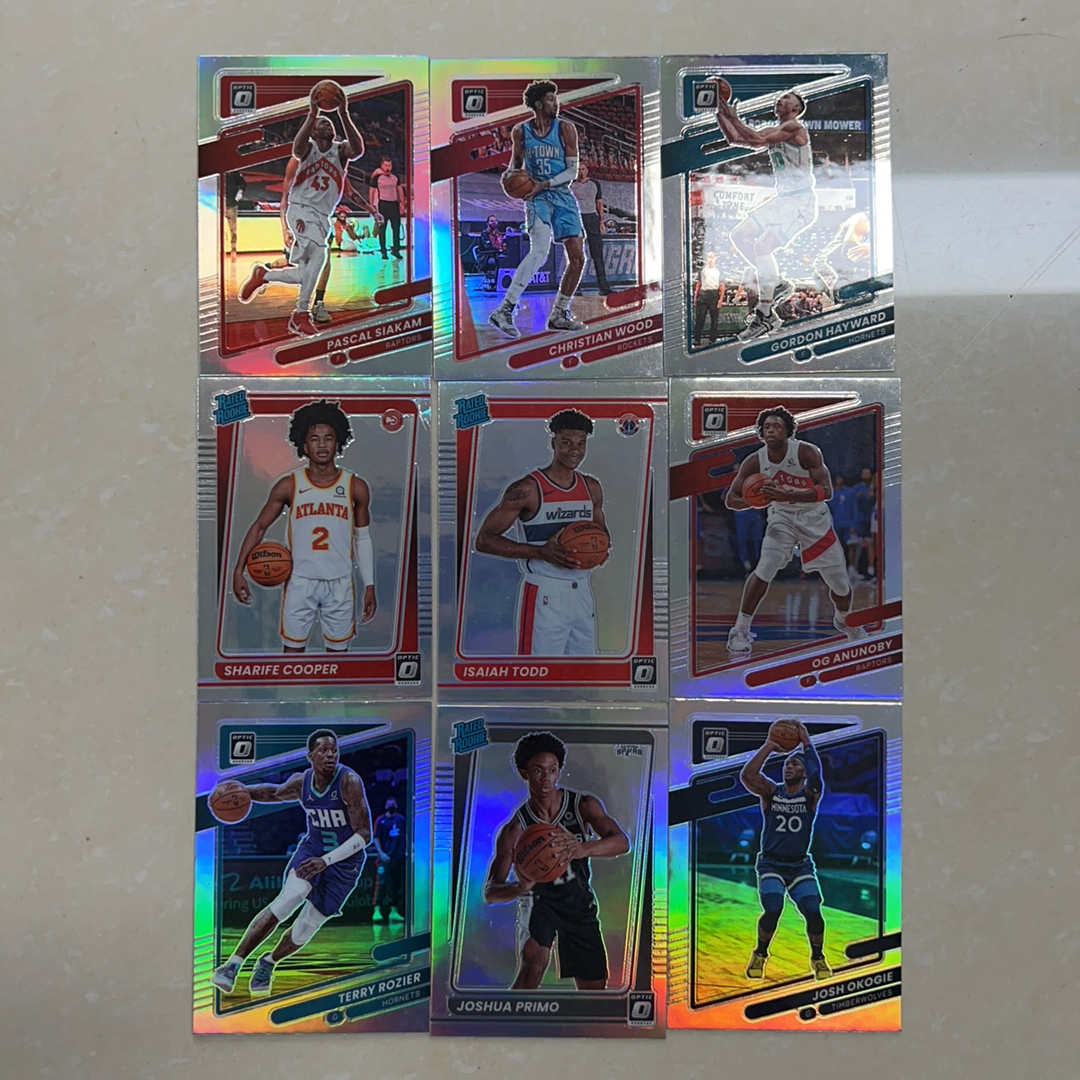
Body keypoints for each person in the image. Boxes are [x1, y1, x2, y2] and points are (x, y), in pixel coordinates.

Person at [210, 730, 373, 996]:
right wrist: (242, 793)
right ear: (310, 756)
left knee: (305, 928)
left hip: (344, 863)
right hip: (313, 849)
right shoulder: (301, 782)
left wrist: (326, 861)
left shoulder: (349, 781)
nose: (330, 754)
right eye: (323, 750)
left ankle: (268, 962)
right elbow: (274, 793)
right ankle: (232, 966)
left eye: (334, 750)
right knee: (289, 898)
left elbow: (364, 834)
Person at [483, 731, 630, 990]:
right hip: (539, 902)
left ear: (559, 771)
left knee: (595, 989)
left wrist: (582, 849)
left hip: (577, 901)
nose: (546, 777)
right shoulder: (516, 829)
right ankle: (509, 1014)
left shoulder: (582, 805)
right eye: (538, 770)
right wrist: (520, 887)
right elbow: (490, 892)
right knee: (533, 965)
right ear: (524, 773)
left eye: (552, 770)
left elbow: (622, 842)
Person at [231, 400, 376, 652]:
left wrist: (370, 585)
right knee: (292, 655)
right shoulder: (289, 485)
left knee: (338, 660)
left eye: (328, 438)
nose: (322, 444)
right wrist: (237, 570)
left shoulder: (355, 486)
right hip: (300, 581)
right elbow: (259, 527)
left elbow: (362, 538)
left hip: (340, 582)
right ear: (304, 445)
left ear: (338, 443)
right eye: (314, 439)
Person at [724, 407, 866, 655]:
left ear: (788, 431)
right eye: (766, 427)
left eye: (776, 426)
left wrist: (788, 494)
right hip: (782, 518)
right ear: (761, 433)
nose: (771, 430)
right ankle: (740, 629)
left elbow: (826, 491)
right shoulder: (755, 461)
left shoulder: (806, 452)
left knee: (840, 585)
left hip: (815, 519)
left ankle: (843, 619)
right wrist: (754, 501)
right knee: (766, 565)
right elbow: (731, 499)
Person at [475, 410, 607, 656]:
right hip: (545, 591)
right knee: (538, 670)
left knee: (585, 670)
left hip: (582, 591)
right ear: (553, 443)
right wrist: (540, 552)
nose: (574, 450)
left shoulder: (591, 488)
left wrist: (599, 550)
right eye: (566, 442)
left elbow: (601, 534)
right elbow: (484, 540)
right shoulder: (527, 489)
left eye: (581, 444)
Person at [238, 85, 364, 337]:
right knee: (320, 253)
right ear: (313, 131)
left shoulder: (340, 151)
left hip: (321, 216)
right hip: (301, 209)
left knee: (306, 273)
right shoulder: (307, 149)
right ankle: (301, 314)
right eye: (322, 123)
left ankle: (264, 275)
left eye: (330, 122)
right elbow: (297, 148)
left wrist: (343, 113)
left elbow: (358, 150)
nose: (327, 124)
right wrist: (312, 113)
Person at [712, 86, 818, 343]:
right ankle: (776, 284)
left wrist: (733, 116)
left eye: (786, 98)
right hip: (782, 199)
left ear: (795, 108)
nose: (780, 99)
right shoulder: (775, 130)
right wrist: (720, 111)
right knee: (739, 236)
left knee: (762, 246)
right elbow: (736, 139)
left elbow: (756, 138)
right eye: (780, 97)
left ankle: (765, 315)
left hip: (800, 201)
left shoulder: (794, 127)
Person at [488, 80, 587, 339]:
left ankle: (559, 313)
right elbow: (515, 165)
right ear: (539, 104)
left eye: (556, 98)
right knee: (540, 251)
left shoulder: (566, 129)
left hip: (561, 195)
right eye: (551, 99)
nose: (556, 103)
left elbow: (572, 172)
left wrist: (545, 182)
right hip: (536, 198)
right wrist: (509, 177)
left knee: (578, 258)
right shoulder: (520, 132)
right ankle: (505, 309)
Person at [739, 720, 831, 981]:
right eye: (787, 764)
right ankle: (760, 953)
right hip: (771, 863)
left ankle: (817, 957)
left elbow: (816, 774)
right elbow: (748, 776)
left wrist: (806, 740)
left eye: (795, 764)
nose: (788, 766)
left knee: (813, 912)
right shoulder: (771, 792)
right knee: (773, 907)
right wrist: (770, 745)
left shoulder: (810, 795)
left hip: (800, 865)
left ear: (804, 772)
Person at [570, 162, 612, 295]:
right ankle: (574, 287)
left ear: (587, 170)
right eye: (578, 169)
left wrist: (601, 221)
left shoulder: (594, 184)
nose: (581, 171)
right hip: (577, 219)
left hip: (592, 218)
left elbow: (599, 203)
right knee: (576, 255)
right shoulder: (571, 185)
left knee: (597, 253)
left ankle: (604, 287)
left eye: (583, 169)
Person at [814, 210, 871, 301]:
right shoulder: (862, 218)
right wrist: (873, 249)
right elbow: (848, 254)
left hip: (841, 265)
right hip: (828, 264)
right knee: (846, 296)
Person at [372, 796, 407, 923]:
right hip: (385, 858)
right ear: (385, 805)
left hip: (399, 858)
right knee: (381, 883)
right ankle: (377, 911)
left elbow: (406, 835)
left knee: (397, 885)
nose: (391, 805)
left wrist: (408, 850)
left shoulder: (401, 819)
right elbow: (376, 838)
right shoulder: (380, 820)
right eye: (389, 803)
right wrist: (381, 853)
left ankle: (394, 911)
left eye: (393, 803)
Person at [368, 156, 406, 260]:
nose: (387, 168)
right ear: (382, 166)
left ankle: (396, 250)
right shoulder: (377, 178)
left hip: (394, 204)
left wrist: (402, 203)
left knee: (396, 228)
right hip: (383, 204)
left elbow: (399, 190)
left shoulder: (395, 177)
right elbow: (371, 191)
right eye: (385, 165)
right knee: (382, 229)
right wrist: (371, 205)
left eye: (389, 165)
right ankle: (383, 252)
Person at [693, 252, 725, 345]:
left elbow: (722, 286)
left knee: (714, 319)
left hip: (714, 295)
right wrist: (695, 297)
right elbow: (698, 284)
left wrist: (720, 299)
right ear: (706, 259)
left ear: (715, 258)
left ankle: (712, 339)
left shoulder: (719, 271)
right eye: (709, 257)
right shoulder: (703, 271)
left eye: (712, 257)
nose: (710, 259)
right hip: (703, 294)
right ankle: (697, 339)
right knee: (700, 318)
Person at [474, 215, 506, 291]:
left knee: (506, 260)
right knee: (499, 262)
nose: (494, 222)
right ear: (487, 223)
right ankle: (496, 284)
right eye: (491, 221)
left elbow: (502, 245)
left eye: (495, 221)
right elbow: (488, 246)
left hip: (496, 254)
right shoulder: (484, 234)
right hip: (486, 256)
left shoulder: (498, 234)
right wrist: (498, 249)